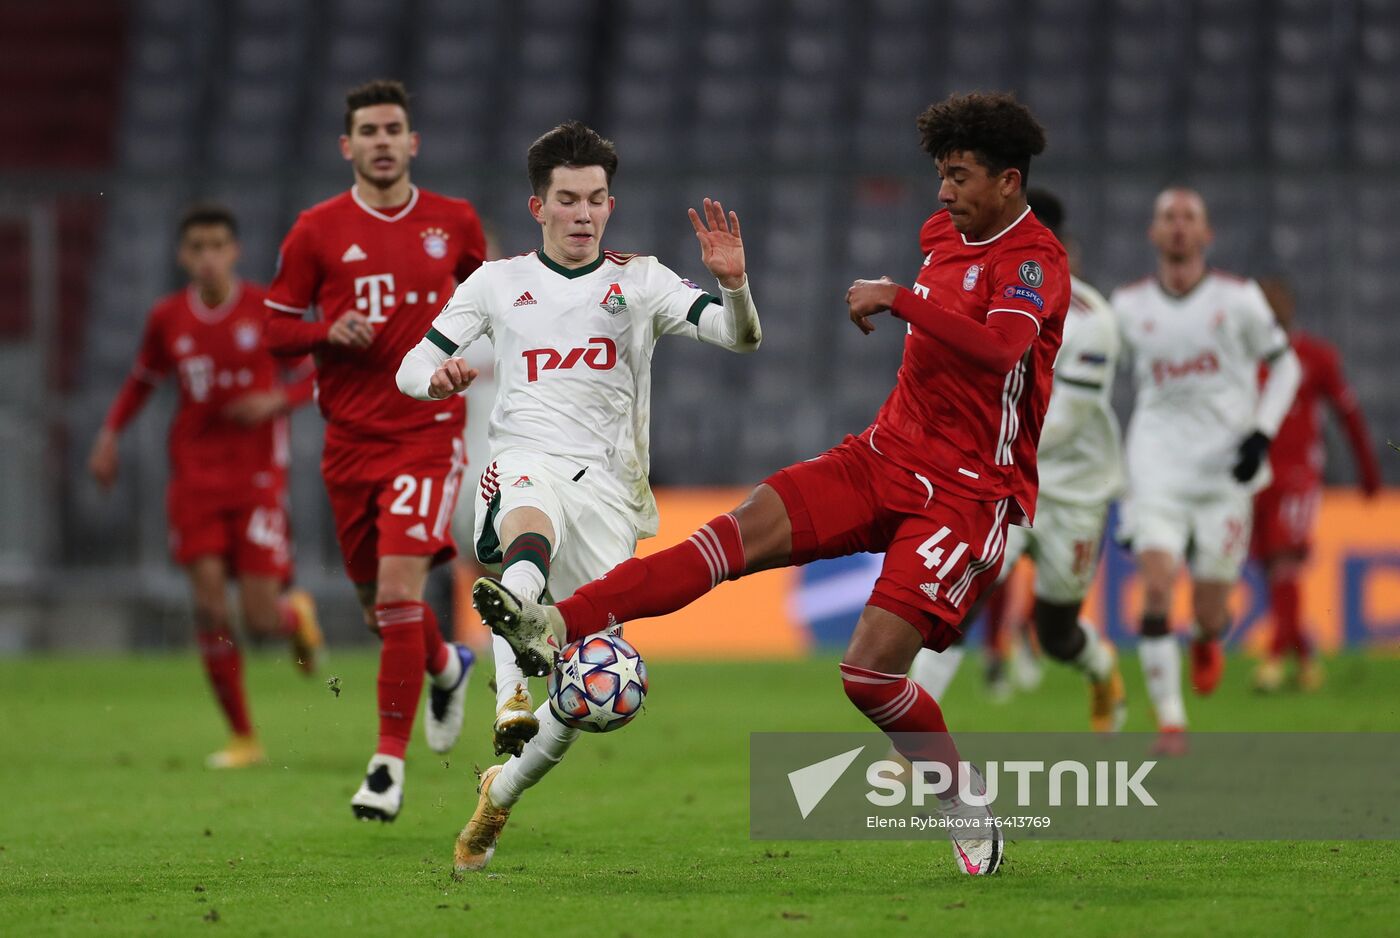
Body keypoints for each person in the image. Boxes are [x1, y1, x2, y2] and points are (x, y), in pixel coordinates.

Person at [473, 93, 1067, 876]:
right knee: (723, 540)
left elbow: (999, 351)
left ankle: (960, 799)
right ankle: (552, 622)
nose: (943, 191)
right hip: (883, 456)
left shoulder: (1034, 262)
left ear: (1009, 181)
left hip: (968, 491)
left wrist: (900, 299)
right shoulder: (941, 235)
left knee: (869, 675)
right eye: (941, 174)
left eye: (959, 176)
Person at [396, 120, 763, 871]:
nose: (583, 213)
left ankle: (499, 795)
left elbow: (740, 337)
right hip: (524, 462)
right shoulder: (495, 283)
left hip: (613, 495)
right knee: (528, 530)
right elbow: (409, 367)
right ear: (539, 207)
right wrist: (435, 380)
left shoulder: (643, 280)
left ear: (610, 204)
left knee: (590, 683)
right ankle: (508, 696)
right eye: (567, 199)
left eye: (595, 199)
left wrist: (734, 284)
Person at [263, 79, 487, 821]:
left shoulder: (454, 221)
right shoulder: (316, 230)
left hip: (427, 434)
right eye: (369, 131)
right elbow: (273, 328)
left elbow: (497, 305)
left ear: (412, 142)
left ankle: (386, 767)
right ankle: (446, 664)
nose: (382, 141)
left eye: (394, 129)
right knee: (378, 611)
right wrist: (324, 331)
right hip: (350, 443)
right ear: (347, 145)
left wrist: (468, 358)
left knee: (397, 595)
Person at [89, 202, 322, 769]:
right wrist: (109, 435)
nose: (208, 258)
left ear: (234, 251)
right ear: (183, 256)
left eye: (218, 246)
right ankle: (243, 736)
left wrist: (276, 400)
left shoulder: (266, 310)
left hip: (257, 479)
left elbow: (317, 372)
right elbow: (142, 380)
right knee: (211, 609)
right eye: (197, 248)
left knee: (260, 620)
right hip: (194, 479)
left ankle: (295, 618)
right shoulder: (168, 318)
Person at [907, 189, 1126, 732]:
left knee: (1056, 634)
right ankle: (907, 747)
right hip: (1000, 485)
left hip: (1071, 492)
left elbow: (1067, 418)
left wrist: (975, 439)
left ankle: (1101, 668)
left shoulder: (1092, 319)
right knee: (954, 608)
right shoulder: (976, 298)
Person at [1111, 188, 1301, 755]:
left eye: (1188, 217)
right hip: (1156, 465)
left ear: (1206, 233)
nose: (1178, 226)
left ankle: (1206, 637)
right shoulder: (1128, 307)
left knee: (1212, 609)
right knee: (1156, 586)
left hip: (1224, 471)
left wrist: (1262, 432)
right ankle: (1171, 723)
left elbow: (1285, 365)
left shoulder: (1238, 299)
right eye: (1167, 217)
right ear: (1153, 233)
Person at [1250, 277, 1380, 692]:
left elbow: (1348, 415)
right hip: (1256, 478)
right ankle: (1305, 660)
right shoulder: (1244, 359)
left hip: (1298, 476)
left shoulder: (1315, 357)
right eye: (1264, 303)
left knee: (1285, 562)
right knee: (1272, 569)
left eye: (1277, 301)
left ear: (1290, 306)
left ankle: (1274, 660)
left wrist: (1368, 472)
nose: (1271, 310)